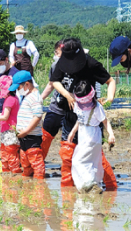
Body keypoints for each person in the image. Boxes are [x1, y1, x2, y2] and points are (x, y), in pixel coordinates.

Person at [50, 38, 117, 188]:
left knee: (95, 154)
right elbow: (54, 81)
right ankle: (68, 188)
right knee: (68, 153)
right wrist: (67, 95)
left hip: (90, 115)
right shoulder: (62, 63)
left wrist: (110, 97)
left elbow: (110, 81)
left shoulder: (91, 64)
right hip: (71, 113)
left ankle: (110, 187)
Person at [68, 80, 115, 194]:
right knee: (93, 162)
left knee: (78, 161)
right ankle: (95, 184)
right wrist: (73, 131)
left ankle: (88, 185)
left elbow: (105, 121)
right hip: (85, 135)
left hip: (91, 137)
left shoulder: (96, 107)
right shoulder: (79, 106)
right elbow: (80, 119)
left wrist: (111, 134)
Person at [9, 70, 45, 179]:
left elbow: (37, 116)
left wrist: (25, 131)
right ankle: (27, 179)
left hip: (32, 136)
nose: (18, 91)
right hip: (25, 136)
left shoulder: (35, 98)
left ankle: (39, 183)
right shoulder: (28, 96)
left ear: (27, 85)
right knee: (24, 160)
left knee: (35, 160)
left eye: (18, 88)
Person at [0, 75, 22, 173]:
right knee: (5, 152)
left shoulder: (10, 99)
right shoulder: (12, 98)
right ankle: (6, 172)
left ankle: (14, 174)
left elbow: (5, 117)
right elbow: (4, 114)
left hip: (9, 131)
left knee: (11, 153)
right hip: (6, 131)